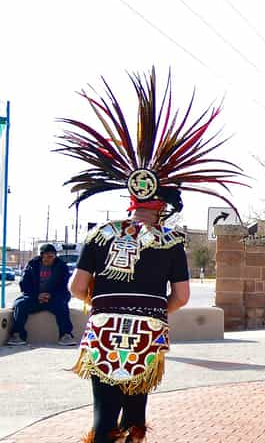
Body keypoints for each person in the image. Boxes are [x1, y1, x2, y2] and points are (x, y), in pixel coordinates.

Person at [57, 68, 243, 443]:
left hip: (105, 327)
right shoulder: (172, 241)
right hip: (147, 329)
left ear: (131, 201)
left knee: (102, 404)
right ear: (162, 208)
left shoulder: (99, 234)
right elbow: (182, 297)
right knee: (135, 401)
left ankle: (105, 433)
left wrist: (102, 300)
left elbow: (77, 287)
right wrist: (155, 310)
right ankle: (132, 434)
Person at [7, 243, 75, 346]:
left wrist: (50, 295)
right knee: (20, 304)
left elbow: (65, 286)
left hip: (53, 299)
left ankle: (65, 335)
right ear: (41, 255)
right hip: (34, 298)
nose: (50, 259)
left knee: (62, 306)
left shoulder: (61, 266)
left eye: (53, 256)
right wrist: (37, 296)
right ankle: (18, 335)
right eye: (48, 256)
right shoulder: (32, 265)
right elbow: (24, 284)